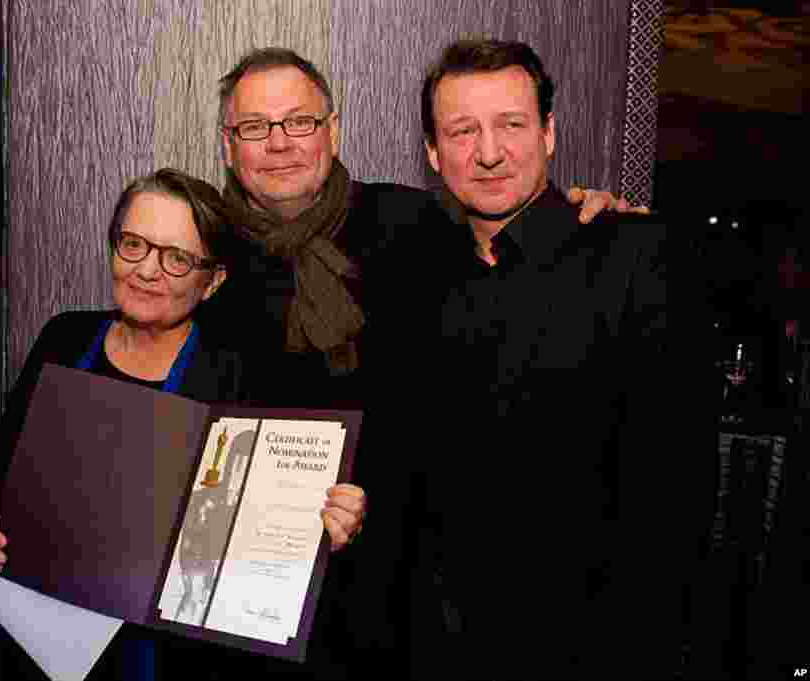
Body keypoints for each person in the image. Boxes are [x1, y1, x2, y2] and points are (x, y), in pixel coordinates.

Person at [198, 46, 645, 680]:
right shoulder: (200, 258)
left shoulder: (413, 222)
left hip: (395, 600)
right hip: (244, 594)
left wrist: (589, 217)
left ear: (332, 130)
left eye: (299, 121)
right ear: (228, 144)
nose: (279, 143)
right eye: (254, 127)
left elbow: (520, 234)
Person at [0, 168, 366, 680]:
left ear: (212, 281)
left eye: (177, 258)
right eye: (133, 244)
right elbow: (1, 474)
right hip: (38, 637)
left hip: (169, 659)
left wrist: (328, 520)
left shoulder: (241, 377)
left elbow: (264, 538)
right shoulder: (63, 339)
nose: (147, 270)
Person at [409, 38, 716, 680]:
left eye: (512, 125)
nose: (489, 153)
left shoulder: (636, 256)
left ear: (548, 133)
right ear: (434, 154)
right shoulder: (417, 272)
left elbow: (674, 495)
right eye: (463, 131)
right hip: (438, 646)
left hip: (588, 650)